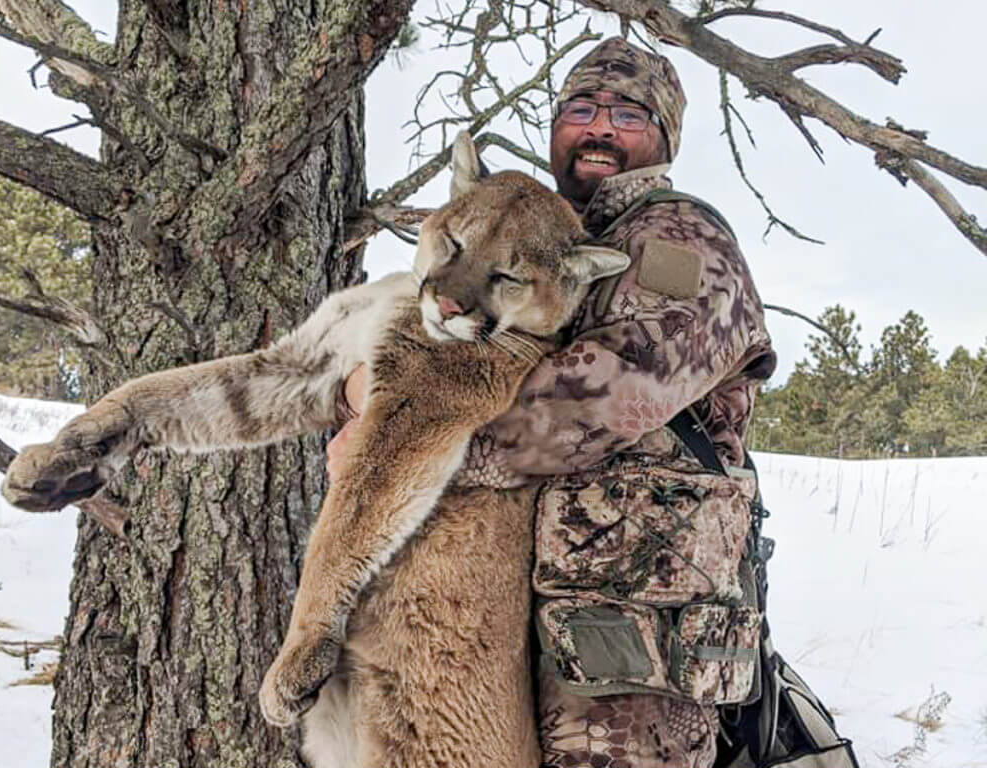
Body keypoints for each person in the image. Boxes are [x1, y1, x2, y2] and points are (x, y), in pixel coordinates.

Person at [332, 38, 777, 768]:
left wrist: (410, 447)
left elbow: (607, 392)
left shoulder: (679, 238)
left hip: (636, 643)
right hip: (518, 618)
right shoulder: (534, 239)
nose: (600, 126)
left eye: (629, 113)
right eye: (581, 107)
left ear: (665, 138)